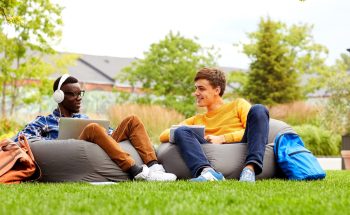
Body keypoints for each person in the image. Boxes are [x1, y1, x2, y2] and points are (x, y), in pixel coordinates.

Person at [15, 74, 176, 182]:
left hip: (95, 147)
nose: (79, 99)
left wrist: (108, 133)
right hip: (70, 153)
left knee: (132, 120)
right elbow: (20, 140)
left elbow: (110, 134)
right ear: (59, 96)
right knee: (93, 128)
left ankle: (155, 168)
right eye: (73, 94)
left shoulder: (84, 118)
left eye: (81, 94)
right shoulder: (44, 121)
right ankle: (136, 170)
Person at [159, 68, 269, 182]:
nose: (196, 93)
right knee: (180, 131)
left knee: (259, 109)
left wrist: (223, 138)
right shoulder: (197, 119)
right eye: (196, 88)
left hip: (241, 144)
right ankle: (208, 172)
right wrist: (202, 136)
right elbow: (163, 135)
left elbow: (256, 131)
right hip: (210, 147)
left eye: (201, 89)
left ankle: (249, 170)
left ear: (217, 90)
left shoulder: (238, 105)